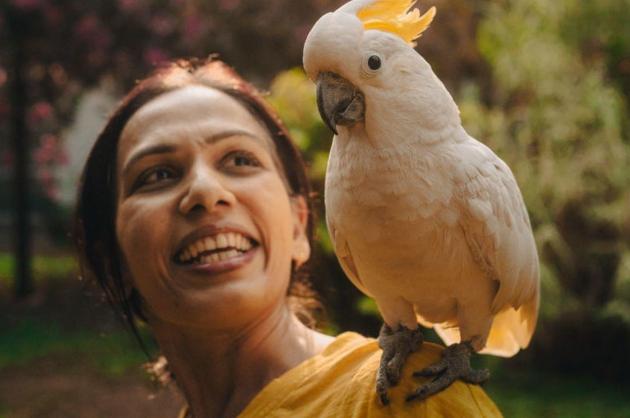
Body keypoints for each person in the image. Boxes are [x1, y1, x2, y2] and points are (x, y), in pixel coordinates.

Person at [73, 58, 503, 418]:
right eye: (158, 174)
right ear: (110, 257)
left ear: (300, 226)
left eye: (239, 159)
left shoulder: (413, 400)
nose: (205, 192)